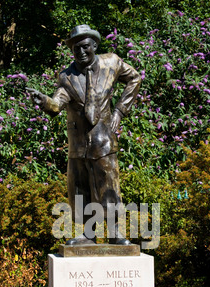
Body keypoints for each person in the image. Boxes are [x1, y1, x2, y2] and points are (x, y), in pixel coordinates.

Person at [28, 24, 141, 245]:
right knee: (79, 191)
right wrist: (45, 102)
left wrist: (120, 110)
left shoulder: (112, 62)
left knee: (109, 187)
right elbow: (56, 103)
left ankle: (115, 233)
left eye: (85, 47)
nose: (80, 52)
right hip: (78, 144)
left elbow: (135, 79)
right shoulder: (66, 77)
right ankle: (87, 234)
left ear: (94, 45)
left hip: (103, 141)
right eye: (75, 48)